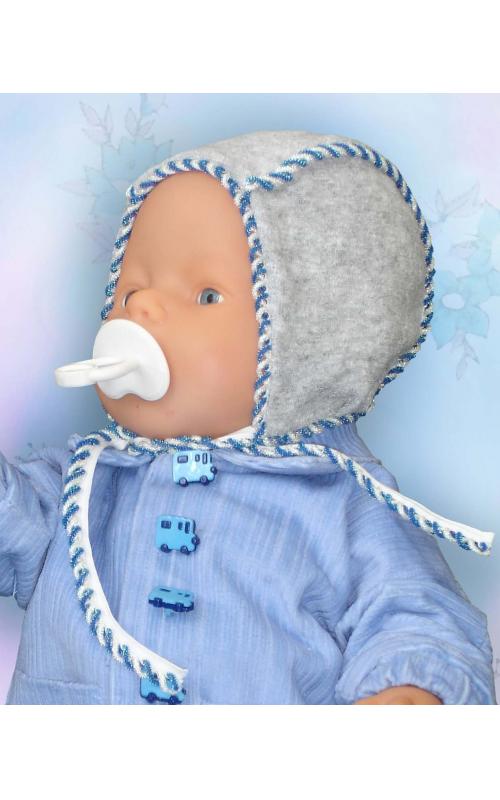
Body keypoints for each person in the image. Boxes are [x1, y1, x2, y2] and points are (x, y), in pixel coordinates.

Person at [1, 130, 495, 704]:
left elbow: (418, 617)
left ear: (308, 342)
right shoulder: (80, 485)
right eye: (131, 290)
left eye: (205, 296)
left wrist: (409, 688)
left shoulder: (340, 502)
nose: (141, 309)